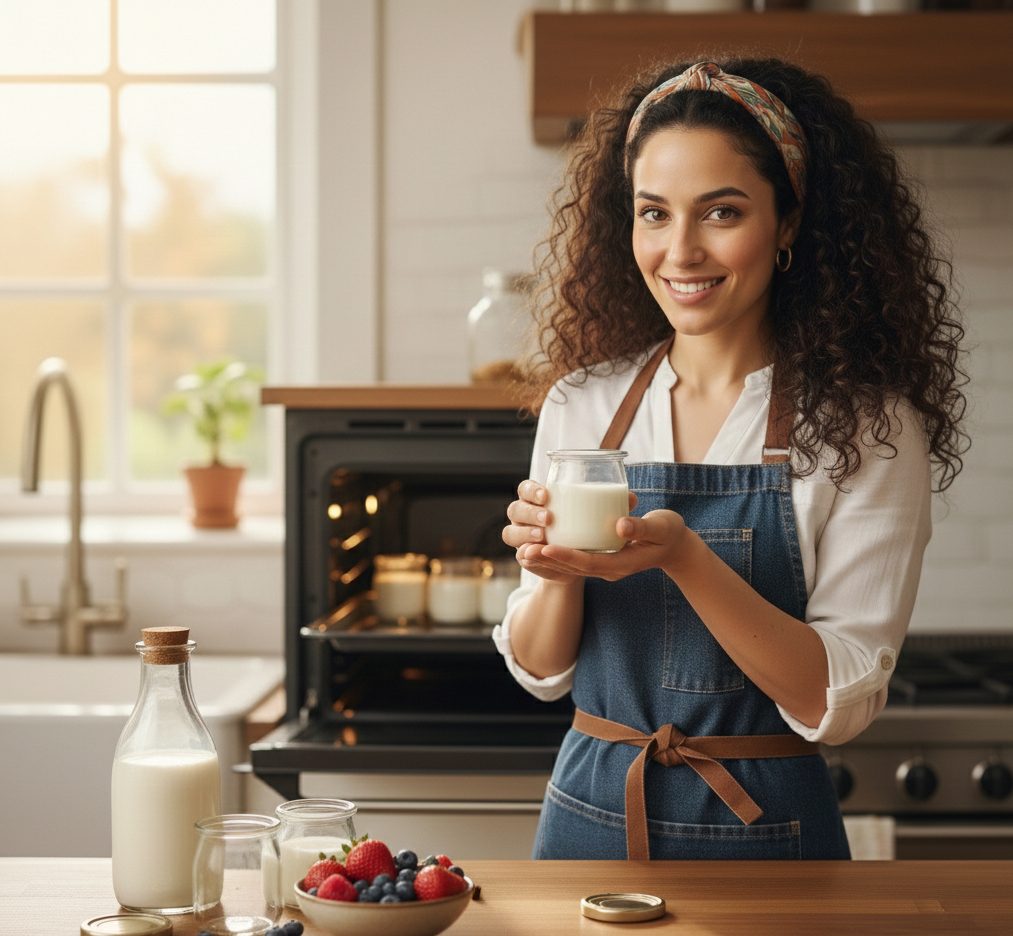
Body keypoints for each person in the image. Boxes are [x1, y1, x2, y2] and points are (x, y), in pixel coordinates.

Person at [493, 58, 968, 861]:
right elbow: (543, 670)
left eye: (720, 212)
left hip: (767, 834)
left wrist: (684, 557)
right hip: (588, 819)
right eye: (653, 213)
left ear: (787, 224)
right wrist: (554, 572)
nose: (679, 251)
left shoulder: (863, 426)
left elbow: (832, 700)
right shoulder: (584, 404)